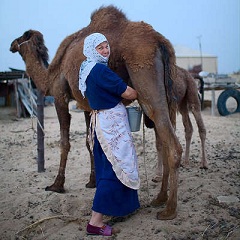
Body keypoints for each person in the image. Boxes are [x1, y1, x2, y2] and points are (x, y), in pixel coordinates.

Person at [79, 33, 140, 236]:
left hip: (101, 124)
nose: (105, 51)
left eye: (107, 46)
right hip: (111, 127)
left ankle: (122, 207)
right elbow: (129, 93)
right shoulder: (100, 71)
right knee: (115, 169)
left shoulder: (86, 68)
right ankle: (95, 222)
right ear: (91, 50)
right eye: (100, 48)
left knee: (108, 166)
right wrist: (140, 89)